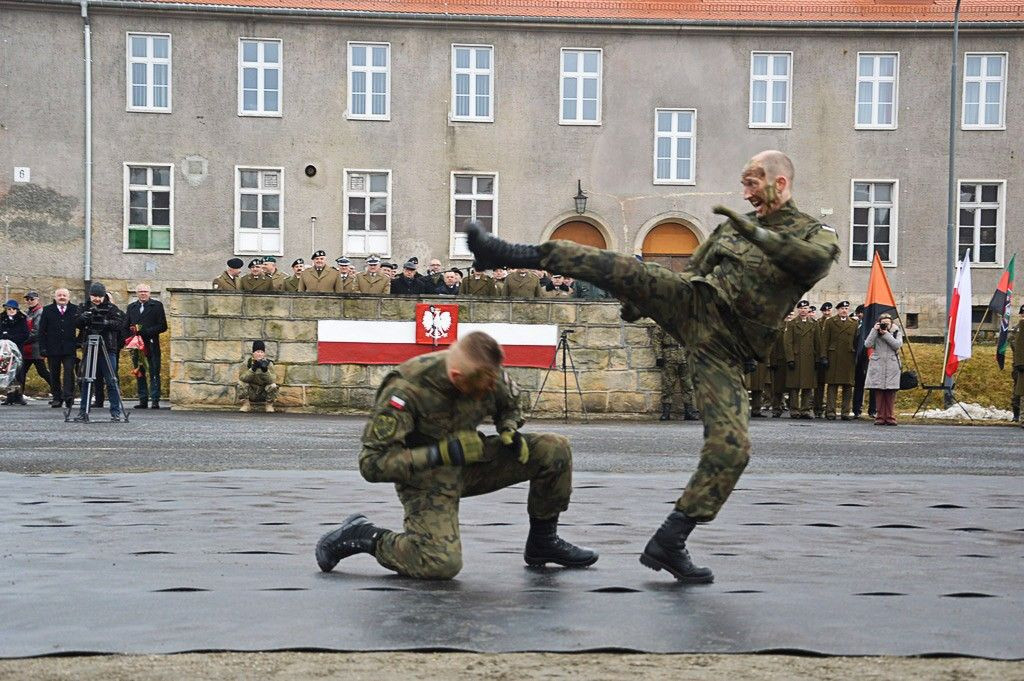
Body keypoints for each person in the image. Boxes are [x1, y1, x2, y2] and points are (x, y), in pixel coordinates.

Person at [466, 149, 839, 582]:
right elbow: (695, 270)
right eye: (743, 183)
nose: (745, 192)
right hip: (695, 303)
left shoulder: (815, 232)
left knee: (732, 448)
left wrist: (755, 235)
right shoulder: (731, 230)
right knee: (619, 267)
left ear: (781, 184)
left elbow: (812, 263)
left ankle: (671, 540)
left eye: (753, 183)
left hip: (729, 346)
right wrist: (641, 300)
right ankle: (505, 253)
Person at [315, 331, 597, 579]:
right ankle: (365, 535)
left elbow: (510, 403)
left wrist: (508, 429)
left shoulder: (487, 372)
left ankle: (543, 541)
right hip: (426, 477)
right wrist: (441, 453)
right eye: (480, 391)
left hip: (474, 459)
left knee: (554, 448)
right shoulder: (406, 389)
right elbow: (372, 465)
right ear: (456, 378)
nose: (488, 392)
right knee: (439, 565)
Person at [74, 283, 127, 422]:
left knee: (111, 381)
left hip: (107, 348)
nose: (97, 299)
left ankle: (115, 412)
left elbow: (120, 324)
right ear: (90, 295)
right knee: (86, 380)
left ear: (104, 296)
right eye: (94, 296)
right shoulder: (84, 307)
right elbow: (75, 323)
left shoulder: (111, 308)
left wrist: (106, 323)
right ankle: (83, 411)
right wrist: (83, 318)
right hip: (90, 346)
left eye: (99, 296)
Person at [126, 284, 168, 409]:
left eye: (145, 291)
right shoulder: (132, 307)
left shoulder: (156, 306)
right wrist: (129, 338)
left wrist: (146, 331)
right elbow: (126, 325)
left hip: (151, 344)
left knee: (154, 371)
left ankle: (155, 399)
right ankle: (142, 399)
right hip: (136, 345)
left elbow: (163, 326)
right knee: (140, 372)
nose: (143, 293)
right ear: (136, 293)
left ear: (149, 293)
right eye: (140, 291)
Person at [37, 288, 79, 410]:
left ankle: (69, 397)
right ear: (55, 297)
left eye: (64, 295)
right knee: (54, 374)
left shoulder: (75, 310)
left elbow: (82, 327)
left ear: (69, 297)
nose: (62, 297)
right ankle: (57, 398)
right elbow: (42, 331)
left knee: (69, 372)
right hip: (52, 348)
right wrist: (42, 348)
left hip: (69, 348)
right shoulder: (48, 310)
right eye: (59, 295)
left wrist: (78, 341)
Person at [652, 326, 699, 421]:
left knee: (687, 385)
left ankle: (688, 411)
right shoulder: (663, 321)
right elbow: (656, 339)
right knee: (667, 385)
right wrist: (659, 356)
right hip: (669, 358)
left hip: (685, 357)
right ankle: (666, 412)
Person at [784, 300, 820, 419]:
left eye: (806, 308)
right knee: (794, 386)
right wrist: (790, 358)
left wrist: (818, 358)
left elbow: (817, 342)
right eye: (801, 308)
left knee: (807, 386)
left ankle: (805, 410)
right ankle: (794, 410)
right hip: (796, 357)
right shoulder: (792, 324)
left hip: (809, 358)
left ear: (808, 309)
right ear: (798, 310)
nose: (803, 310)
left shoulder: (814, 324)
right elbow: (788, 342)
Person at [864, 312, 902, 426]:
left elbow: (897, 345)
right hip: (878, 364)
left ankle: (890, 417)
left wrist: (886, 334)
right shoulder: (875, 332)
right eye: (883, 323)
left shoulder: (896, 332)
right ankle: (880, 416)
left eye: (887, 323)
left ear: (891, 323)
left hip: (891, 364)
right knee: (879, 391)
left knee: (890, 392)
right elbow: (867, 344)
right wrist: (874, 331)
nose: (885, 325)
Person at [821, 300, 858, 420]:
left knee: (848, 386)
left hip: (848, 357)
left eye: (846, 309)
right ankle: (830, 412)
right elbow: (825, 340)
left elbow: (856, 341)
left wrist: (856, 356)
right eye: (842, 308)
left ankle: (845, 412)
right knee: (832, 386)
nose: (844, 310)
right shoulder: (831, 322)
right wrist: (824, 356)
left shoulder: (853, 323)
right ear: (838, 310)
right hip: (834, 356)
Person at [16, 291, 53, 405]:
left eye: (31, 299)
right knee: (21, 372)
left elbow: (37, 331)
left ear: (37, 300)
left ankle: (58, 391)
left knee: (42, 372)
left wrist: (22, 340)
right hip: (26, 349)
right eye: (27, 299)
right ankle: (18, 395)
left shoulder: (40, 312)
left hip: (36, 348)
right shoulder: (27, 312)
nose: (29, 301)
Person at [1, 300, 30, 405]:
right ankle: (10, 395)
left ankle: (19, 395)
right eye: (9, 309)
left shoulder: (22, 319)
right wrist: (4, 337)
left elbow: (25, 334)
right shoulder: (2, 318)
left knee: (18, 372)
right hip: (5, 350)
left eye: (13, 309)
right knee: (8, 372)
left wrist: (11, 338)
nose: (11, 311)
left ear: (17, 310)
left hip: (17, 348)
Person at [238, 340, 278, 413]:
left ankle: (269, 405)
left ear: (264, 354)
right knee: (241, 383)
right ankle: (246, 405)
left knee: (273, 386)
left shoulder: (269, 364)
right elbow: (242, 378)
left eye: (262, 352)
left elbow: (272, 380)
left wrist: (265, 370)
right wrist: (253, 369)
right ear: (253, 353)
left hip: (263, 392)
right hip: (251, 391)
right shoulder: (247, 363)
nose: (260, 354)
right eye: (257, 352)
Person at [812, 301, 833, 417]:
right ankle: (818, 408)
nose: (827, 312)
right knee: (819, 385)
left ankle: (829, 408)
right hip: (820, 356)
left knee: (831, 384)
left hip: (832, 356)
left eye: (829, 310)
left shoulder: (834, 322)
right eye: (825, 310)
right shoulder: (818, 323)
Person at [1010, 304, 1023, 426]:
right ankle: (1016, 413)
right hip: (1019, 364)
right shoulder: (1017, 329)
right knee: (1017, 389)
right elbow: (1014, 344)